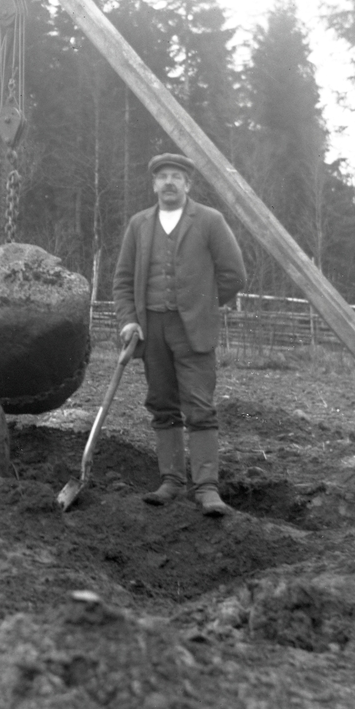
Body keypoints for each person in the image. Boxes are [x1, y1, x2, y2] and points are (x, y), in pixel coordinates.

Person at [113, 152, 247, 516]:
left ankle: (207, 488)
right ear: (154, 184)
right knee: (162, 405)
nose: (169, 183)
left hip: (193, 331)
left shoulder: (209, 220)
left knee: (200, 407)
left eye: (176, 177)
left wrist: (204, 306)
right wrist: (128, 320)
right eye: (163, 177)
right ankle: (171, 481)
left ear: (188, 184)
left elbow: (234, 274)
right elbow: (123, 280)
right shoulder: (139, 225)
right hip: (151, 330)